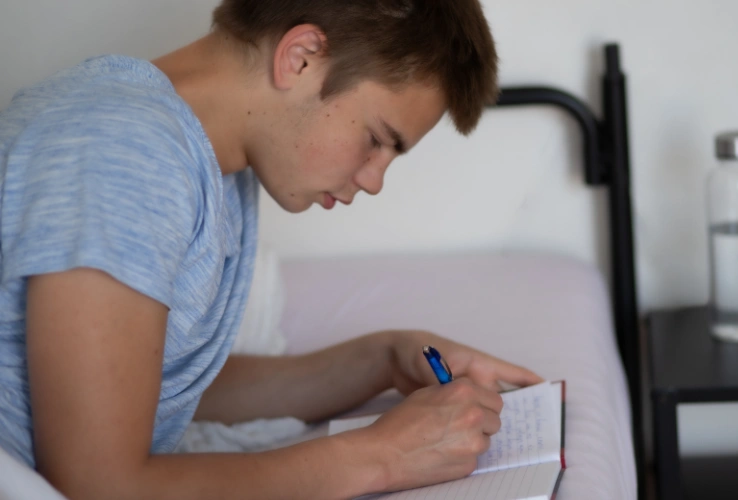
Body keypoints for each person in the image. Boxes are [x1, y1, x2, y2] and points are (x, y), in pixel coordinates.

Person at [0, 1, 544, 498]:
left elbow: (150, 387)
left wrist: (383, 357)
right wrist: (380, 456)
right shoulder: (124, 151)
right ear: (302, 57)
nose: (376, 180)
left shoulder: (208, 163)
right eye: (378, 139)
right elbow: (99, 484)